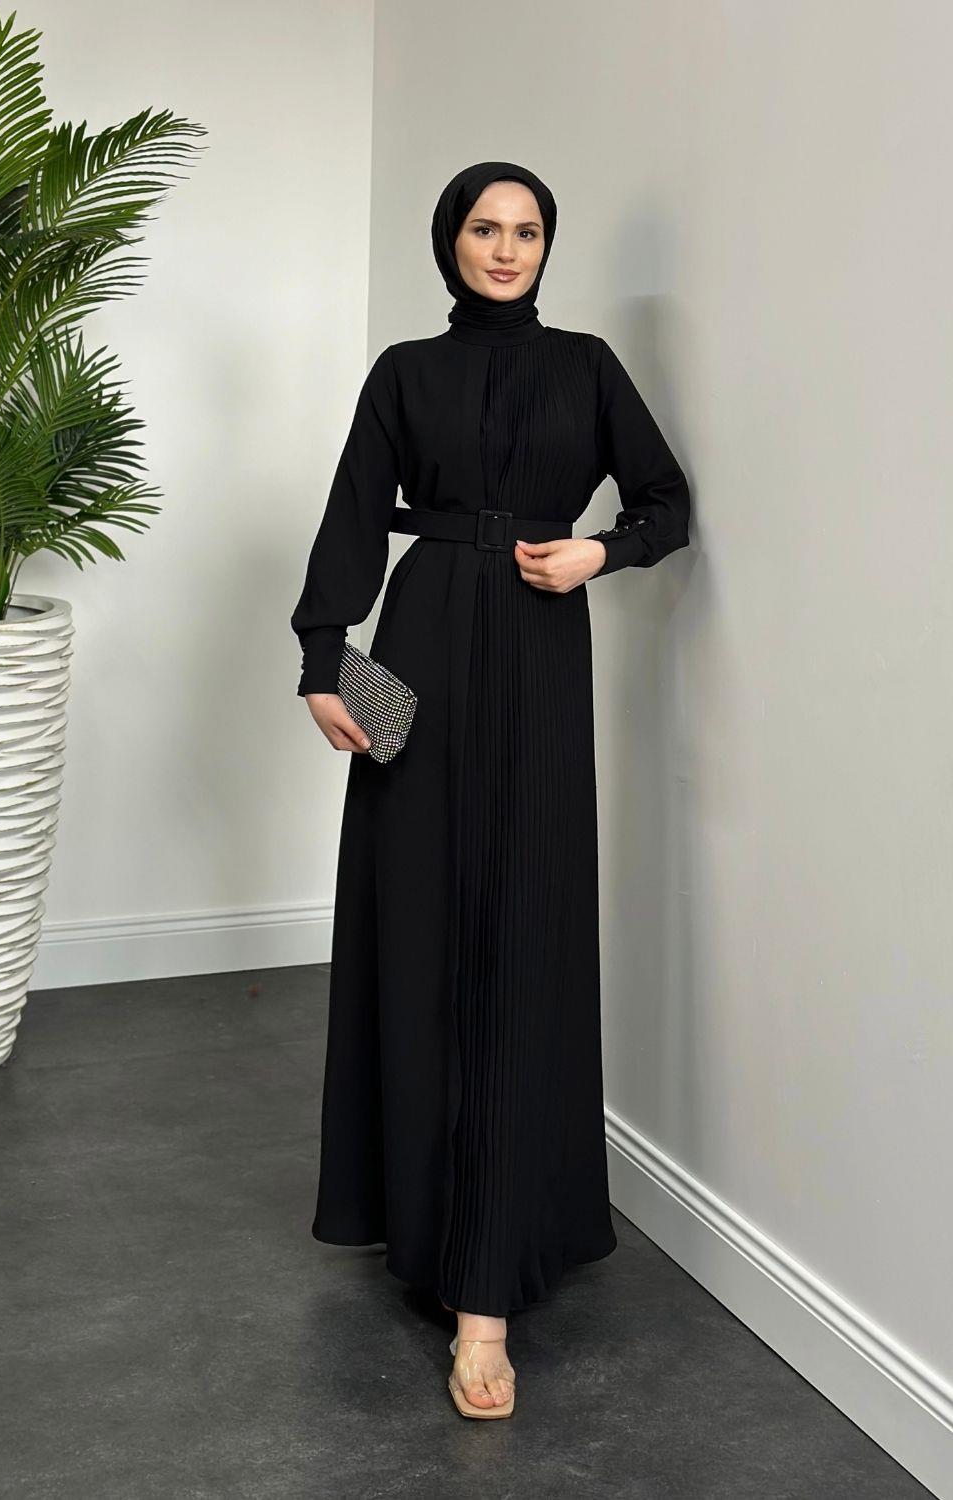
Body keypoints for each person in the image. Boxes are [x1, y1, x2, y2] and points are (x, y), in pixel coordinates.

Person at [290, 160, 691, 1419]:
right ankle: (419, 1212)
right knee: (416, 926)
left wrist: (599, 553)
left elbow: (668, 503)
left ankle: (486, 1300)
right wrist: (321, 657)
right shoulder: (405, 371)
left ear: (545, 246)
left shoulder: (587, 367)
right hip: (415, 644)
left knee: (520, 931)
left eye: (526, 230)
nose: (506, 248)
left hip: (536, 650)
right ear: (449, 241)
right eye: (484, 227)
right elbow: (355, 512)